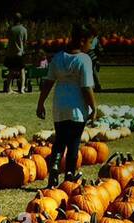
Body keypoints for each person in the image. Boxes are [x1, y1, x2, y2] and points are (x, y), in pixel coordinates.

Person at [36, 23, 96, 186]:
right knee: (74, 142)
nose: (90, 45)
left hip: (60, 106)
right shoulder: (84, 59)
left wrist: (41, 103)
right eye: (90, 42)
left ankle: (54, 168)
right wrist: (94, 107)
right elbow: (86, 87)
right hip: (77, 108)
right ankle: (69, 174)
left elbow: (48, 83)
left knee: (60, 140)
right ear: (83, 40)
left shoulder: (58, 57)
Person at [4, 13, 29, 93]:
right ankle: (22, 88)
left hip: (10, 53)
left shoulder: (10, 29)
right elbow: (25, 42)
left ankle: (8, 88)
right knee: (22, 70)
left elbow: (7, 39)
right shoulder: (24, 29)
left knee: (11, 71)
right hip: (19, 53)